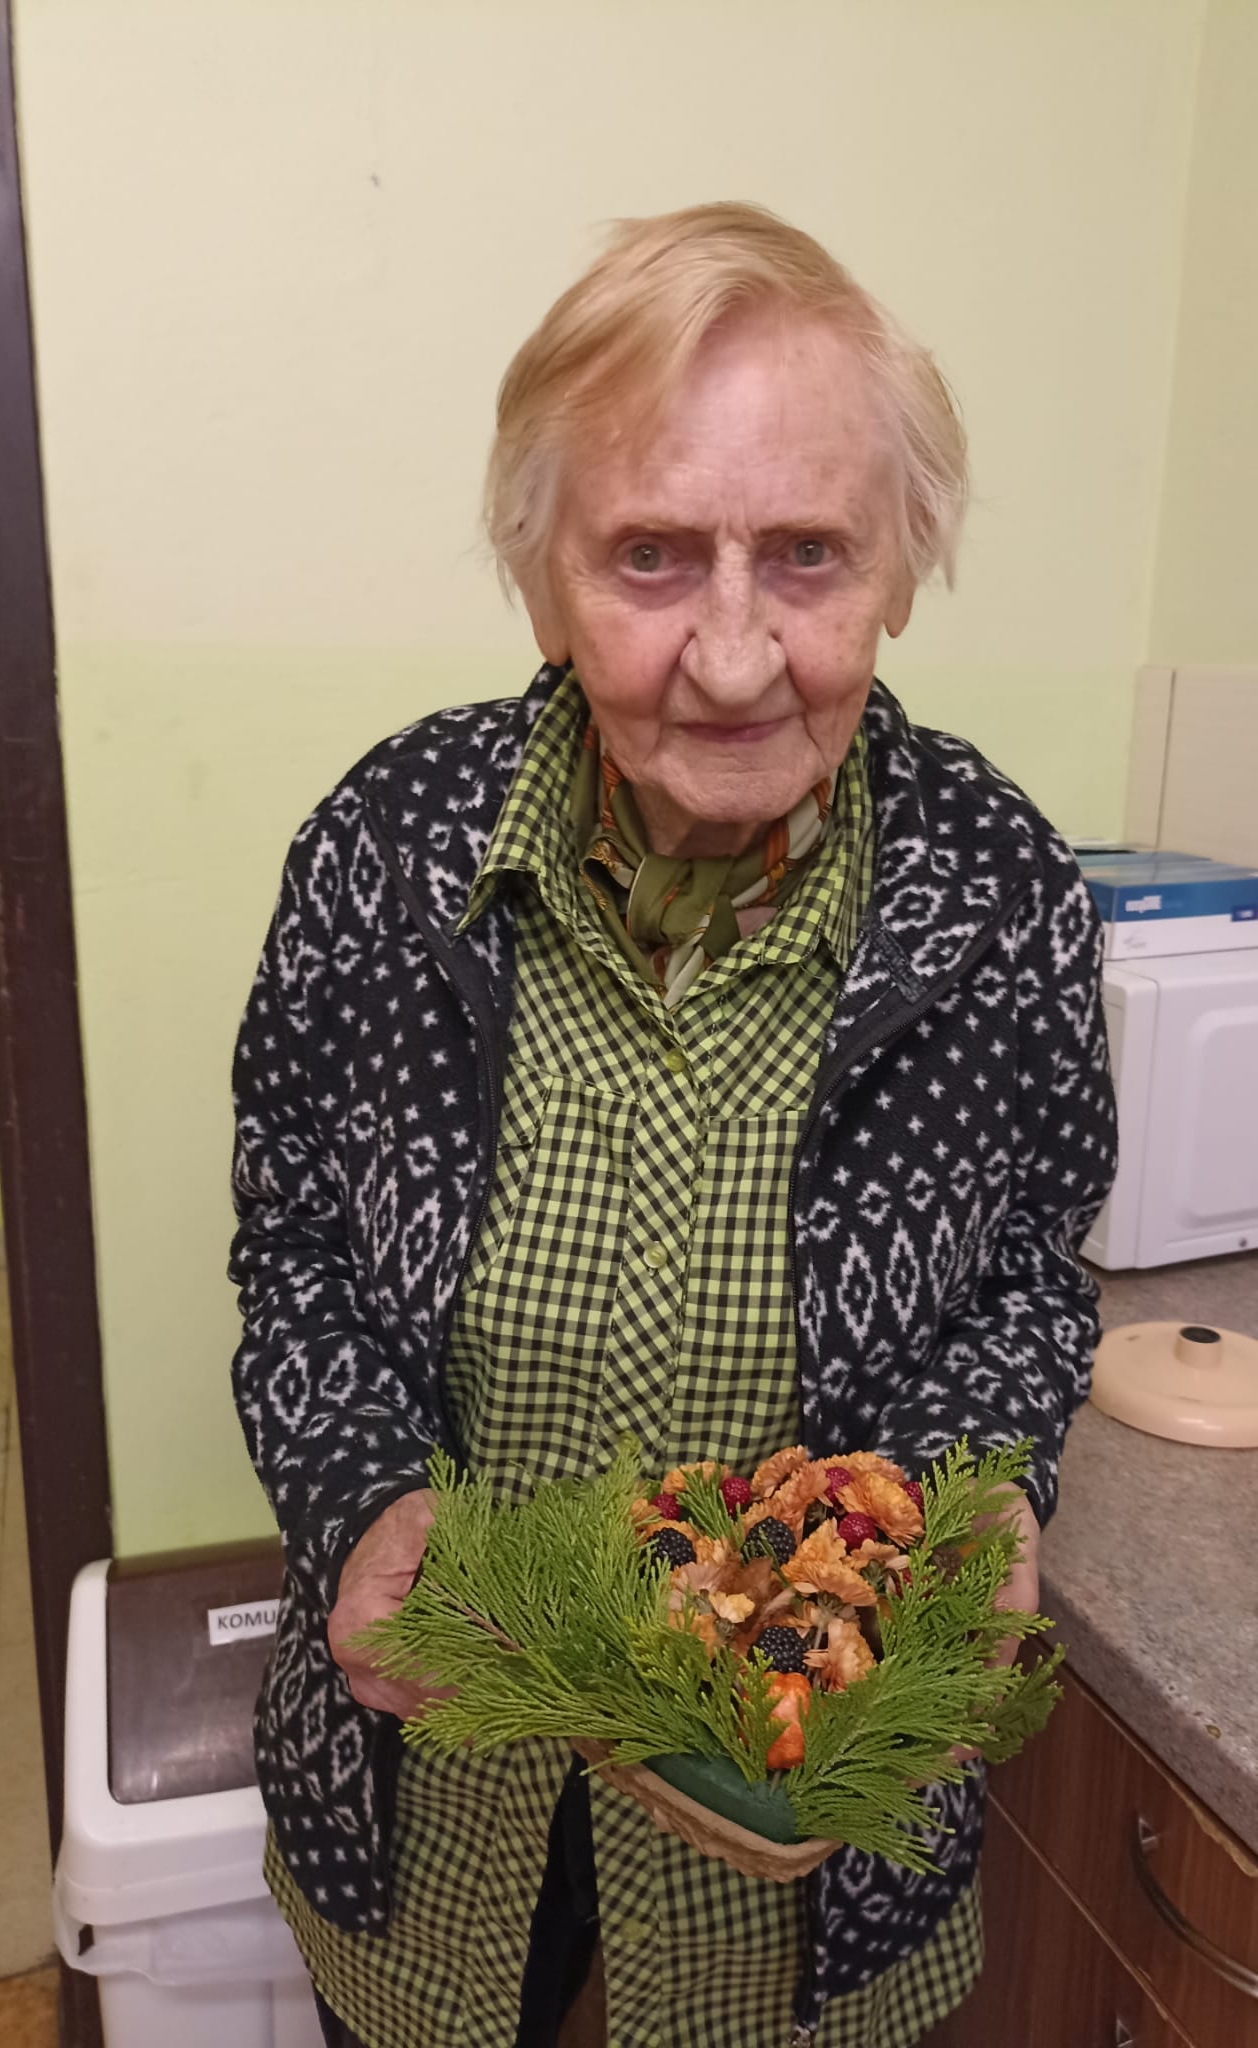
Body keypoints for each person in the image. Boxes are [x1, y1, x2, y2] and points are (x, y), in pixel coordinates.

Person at [230, 201, 1117, 2048]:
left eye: (806, 553)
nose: (730, 656)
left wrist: (966, 1493)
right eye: (648, 554)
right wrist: (361, 1496)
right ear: (541, 578)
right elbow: (296, 1247)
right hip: (435, 1801)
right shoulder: (385, 849)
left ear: (900, 567)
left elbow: (1027, 1278)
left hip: (797, 1855)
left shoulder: (1000, 892)